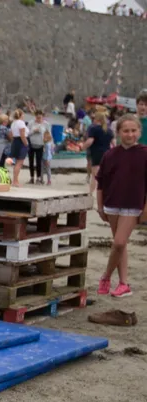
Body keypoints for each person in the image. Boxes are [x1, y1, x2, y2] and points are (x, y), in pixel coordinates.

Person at [94, 115, 147, 298]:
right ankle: (124, 284)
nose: (130, 134)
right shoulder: (110, 155)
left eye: (133, 130)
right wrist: (100, 207)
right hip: (112, 205)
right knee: (120, 246)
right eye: (126, 131)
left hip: (133, 206)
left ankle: (106, 276)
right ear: (118, 133)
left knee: (119, 242)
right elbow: (100, 183)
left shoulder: (145, 153)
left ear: (139, 132)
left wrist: (146, 210)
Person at [83, 110, 114, 196]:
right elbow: (114, 144)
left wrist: (82, 147)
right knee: (106, 175)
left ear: (97, 119)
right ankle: (107, 193)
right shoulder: (109, 130)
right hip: (108, 154)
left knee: (95, 176)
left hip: (96, 154)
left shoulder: (94, 129)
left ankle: (91, 193)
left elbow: (90, 141)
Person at [28, 110, 50, 185]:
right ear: (35, 117)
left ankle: (38, 178)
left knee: (39, 162)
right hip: (31, 144)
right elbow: (27, 133)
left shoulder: (46, 124)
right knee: (31, 162)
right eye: (37, 118)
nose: (38, 119)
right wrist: (33, 131)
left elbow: (48, 135)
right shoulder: (31, 123)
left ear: (42, 117)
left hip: (40, 145)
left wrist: (48, 145)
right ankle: (31, 178)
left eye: (40, 118)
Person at [8, 109, 28, 187]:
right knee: (19, 163)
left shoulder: (13, 123)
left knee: (17, 162)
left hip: (15, 141)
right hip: (21, 142)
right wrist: (26, 144)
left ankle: (15, 180)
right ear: (21, 115)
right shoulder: (21, 123)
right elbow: (22, 135)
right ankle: (15, 181)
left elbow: (11, 134)